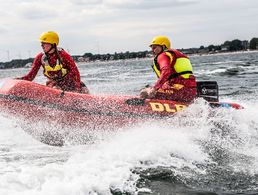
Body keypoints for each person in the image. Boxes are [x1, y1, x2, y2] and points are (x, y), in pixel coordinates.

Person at [17, 31, 89, 94]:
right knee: (55, 88)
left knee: (85, 90)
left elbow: (75, 73)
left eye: (44, 43)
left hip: (70, 84)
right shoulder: (40, 58)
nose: (42, 45)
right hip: (54, 86)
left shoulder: (64, 56)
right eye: (41, 43)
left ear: (53, 44)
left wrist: (77, 89)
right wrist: (19, 80)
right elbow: (31, 76)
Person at [140, 35, 196, 102]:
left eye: (154, 47)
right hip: (190, 92)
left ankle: (142, 108)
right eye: (151, 48)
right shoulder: (175, 55)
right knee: (149, 87)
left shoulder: (162, 55)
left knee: (144, 92)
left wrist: (155, 89)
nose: (152, 50)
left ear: (163, 46)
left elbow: (166, 71)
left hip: (179, 91)